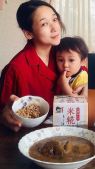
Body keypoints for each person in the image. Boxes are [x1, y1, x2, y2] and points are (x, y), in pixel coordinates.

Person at [0, 0, 88, 132]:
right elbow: (3, 111)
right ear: (29, 33)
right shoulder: (15, 69)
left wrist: (87, 84)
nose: (55, 28)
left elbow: (84, 73)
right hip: (30, 137)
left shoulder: (66, 54)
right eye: (44, 23)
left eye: (55, 19)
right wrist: (3, 117)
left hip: (69, 131)